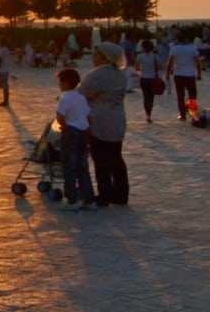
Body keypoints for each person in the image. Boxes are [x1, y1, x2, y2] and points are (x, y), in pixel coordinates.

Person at [81, 42, 129, 207]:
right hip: (118, 119)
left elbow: (82, 94)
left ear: (104, 57)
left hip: (100, 121)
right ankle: (121, 195)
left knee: (100, 159)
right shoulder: (120, 75)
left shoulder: (96, 75)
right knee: (116, 158)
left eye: (95, 55)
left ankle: (105, 195)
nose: (92, 58)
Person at [54, 68, 95, 210]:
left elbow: (60, 117)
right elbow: (87, 115)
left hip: (71, 132)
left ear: (65, 83)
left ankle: (72, 201)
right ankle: (89, 200)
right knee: (82, 167)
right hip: (83, 132)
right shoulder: (81, 97)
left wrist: (63, 126)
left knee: (69, 168)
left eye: (60, 81)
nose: (59, 84)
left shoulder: (64, 98)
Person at [165, 29, 201, 120]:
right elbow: (197, 62)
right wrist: (199, 73)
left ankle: (182, 114)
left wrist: (167, 73)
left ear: (178, 39)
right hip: (190, 75)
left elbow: (170, 62)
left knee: (180, 96)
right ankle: (192, 113)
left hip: (179, 75)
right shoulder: (192, 48)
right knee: (192, 96)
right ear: (187, 40)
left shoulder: (174, 49)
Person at [135, 38, 162, 123]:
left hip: (143, 78)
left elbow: (136, 67)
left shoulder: (140, 56)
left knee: (145, 97)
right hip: (152, 79)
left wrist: (142, 69)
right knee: (151, 97)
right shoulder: (155, 56)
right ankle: (149, 115)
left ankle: (147, 114)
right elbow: (159, 67)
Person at [0, 36, 12, 107]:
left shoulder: (2, 50)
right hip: (6, 70)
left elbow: (0, 61)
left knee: (5, 87)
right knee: (5, 86)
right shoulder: (6, 49)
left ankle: (6, 101)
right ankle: (6, 101)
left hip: (3, 70)